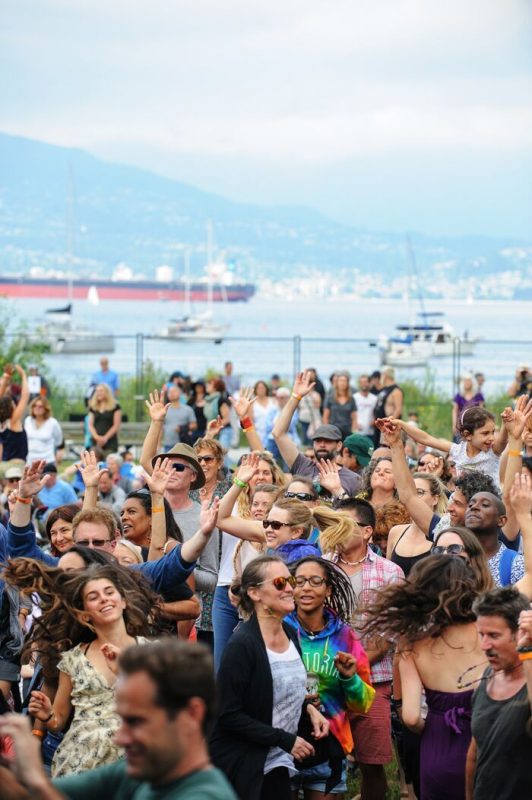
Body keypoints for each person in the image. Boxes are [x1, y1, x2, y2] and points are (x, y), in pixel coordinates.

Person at [0, 639, 238, 799]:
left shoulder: (204, 795)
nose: (120, 737)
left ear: (192, 714)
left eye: (136, 722)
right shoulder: (137, 771)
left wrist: (35, 779)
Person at [5, 562, 156, 777]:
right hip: (81, 762)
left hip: (134, 761)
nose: (104, 598)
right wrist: (47, 715)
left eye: (109, 592)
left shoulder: (152, 653)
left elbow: (167, 707)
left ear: (123, 601)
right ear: (84, 615)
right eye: (93, 597)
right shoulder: (73, 659)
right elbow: (59, 720)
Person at [363, 557, 486, 800]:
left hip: (437, 749)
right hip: (485, 740)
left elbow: (410, 717)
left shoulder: (411, 642)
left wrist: (433, 727)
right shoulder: (486, 631)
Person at [210, 555, 330, 800]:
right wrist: (285, 739)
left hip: (277, 761)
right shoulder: (242, 644)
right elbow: (228, 714)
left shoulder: (289, 633)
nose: (290, 588)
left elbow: (277, 688)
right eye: (279, 582)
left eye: (290, 580)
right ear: (255, 593)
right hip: (244, 767)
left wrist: (308, 709)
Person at [319, 501, 404, 800]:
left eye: (346, 523)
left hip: (372, 679)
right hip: (324, 679)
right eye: (334, 522)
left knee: (372, 763)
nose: (337, 529)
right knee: (326, 763)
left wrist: (356, 664)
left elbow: (389, 632)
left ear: (367, 532)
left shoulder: (389, 572)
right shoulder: (320, 567)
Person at [287, 557, 375, 798]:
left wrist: (349, 679)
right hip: (284, 747)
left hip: (330, 748)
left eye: (315, 581)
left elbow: (363, 703)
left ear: (328, 590)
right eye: (299, 581)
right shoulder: (278, 631)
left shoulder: (345, 637)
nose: (306, 587)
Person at [466, 587, 532, 800]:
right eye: (481, 634)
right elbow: (474, 755)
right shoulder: (487, 677)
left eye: (494, 635)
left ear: (519, 633)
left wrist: (528, 651)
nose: (485, 645)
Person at [272, 371, 361, 495]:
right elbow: (278, 434)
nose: (322, 444)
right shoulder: (303, 466)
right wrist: (295, 397)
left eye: (328, 441)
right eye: (318, 441)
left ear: (339, 445)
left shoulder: (353, 479)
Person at [389, 404, 518, 486]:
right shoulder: (457, 450)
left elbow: (502, 440)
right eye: (485, 433)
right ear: (468, 435)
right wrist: (401, 424)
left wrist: (506, 424)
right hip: (463, 502)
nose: (491, 438)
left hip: (488, 503)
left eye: (492, 432)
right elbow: (426, 438)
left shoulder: (492, 451)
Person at [0, 364, 29, 462]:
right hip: (15, 464)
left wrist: (5, 378)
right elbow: (25, 396)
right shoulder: (13, 421)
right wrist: (23, 375)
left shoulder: (2, 423)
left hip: (4, 463)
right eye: (13, 403)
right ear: (11, 407)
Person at [24, 397, 63, 465]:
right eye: (34, 406)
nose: (37, 408)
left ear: (45, 409)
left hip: (47, 462)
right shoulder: (28, 420)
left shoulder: (53, 422)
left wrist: (58, 457)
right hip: (30, 461)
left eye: (40, 406)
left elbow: (59, 441)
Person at [88, 384, 122, 454]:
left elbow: (116, 425)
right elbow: (90, 425)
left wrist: (105, 438)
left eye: (101, 391)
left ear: (107, 392)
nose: (98, 393)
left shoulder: (115, 406)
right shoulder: (93, 407)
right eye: (97, 391)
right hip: (95, 442)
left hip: (110, 442)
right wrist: (96, 437)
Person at [323, 371, 357, 439]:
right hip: (333, 431)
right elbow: (325, 417)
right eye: (340, 381)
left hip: (347, 432)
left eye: (345, 381)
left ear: (348, 383)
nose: (342, 383)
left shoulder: (351, 399)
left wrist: (353, 433)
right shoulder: (330, 398)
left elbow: (354, 418)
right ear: (337, 383)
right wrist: (327, 431)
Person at [372, 367, 403, 445]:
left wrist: (389, 423)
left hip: (387, 426)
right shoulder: (384, 389)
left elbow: (398, 409)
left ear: (386, 375)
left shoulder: (396, 391)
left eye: (382, 374)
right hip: (379, 425)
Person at [162, 384, 197, 450]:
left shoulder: (188, 409)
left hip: (183, 446)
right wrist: (158, 445)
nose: (172, 393)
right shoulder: (164, 410)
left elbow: (194, 425)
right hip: (167, 445)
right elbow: (160, 427)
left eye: (174, 391)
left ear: (180, 393)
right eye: (170, 392)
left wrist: (182, 428)